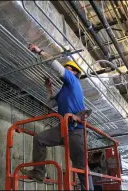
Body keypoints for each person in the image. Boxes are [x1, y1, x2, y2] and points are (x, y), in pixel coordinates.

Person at [20, 44, 94, 190]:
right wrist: (49, 88)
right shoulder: (64, 90)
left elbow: (55, 65)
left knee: (80, 165)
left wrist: (40, 51)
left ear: (74, 73)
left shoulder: (73, 82)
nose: (66, 70)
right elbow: (51, 103)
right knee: (39, 139)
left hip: (75, 130)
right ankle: (39, 172)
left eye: (69, 68)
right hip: (62, 128)